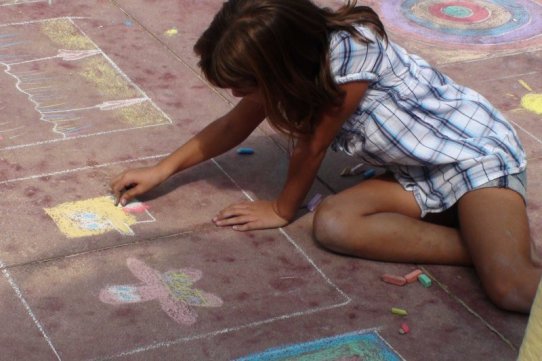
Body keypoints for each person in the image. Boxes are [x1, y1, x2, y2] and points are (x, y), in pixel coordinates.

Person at [111, 0, 541, 313]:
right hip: (416, 172)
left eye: (244, 83)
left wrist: (283, 209)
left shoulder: (352, 51)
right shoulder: (295, 60)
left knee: (512, 288)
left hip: (474, 158)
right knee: (334, 224)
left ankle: (501, 258)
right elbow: (232, 125)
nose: (237, 94)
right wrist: (161, 169)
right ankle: (482, 250)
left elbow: (313, 146)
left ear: (280, 65)